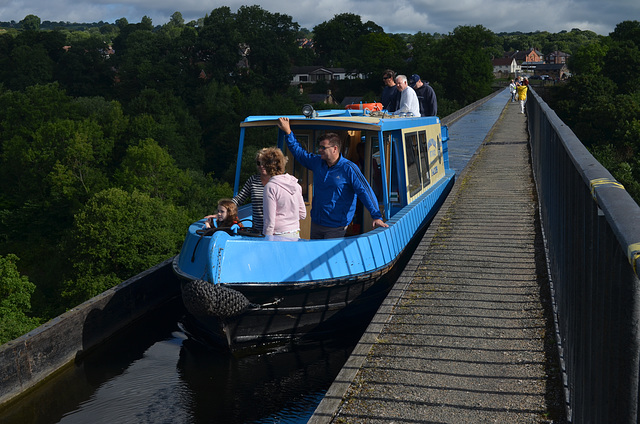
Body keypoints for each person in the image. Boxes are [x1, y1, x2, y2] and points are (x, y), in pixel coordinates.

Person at [277, 117, 389, 239]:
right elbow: (299, 153)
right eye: (319, 147)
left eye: (323, 148)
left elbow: (365, 191)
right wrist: (288, 133)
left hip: (336, 227)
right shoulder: (317, 162)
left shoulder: (349, 168)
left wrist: (376, 216)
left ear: (335, 148)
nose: (319, 150)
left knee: (329, 258)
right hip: (316, 223)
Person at [258, 147, 306, 238]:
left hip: (278, 235)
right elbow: (303, 214)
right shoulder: (296, 185)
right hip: (295, 233)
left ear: (266, 166)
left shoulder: (270, 187)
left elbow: (270, 221)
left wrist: (267, 241)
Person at [232, 151, 268, 233]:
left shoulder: (278, 181)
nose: (261, 166)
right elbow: (239, 199)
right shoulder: (253, 180)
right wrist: (223, 211)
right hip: (257, 231)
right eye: (259, 163)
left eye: (265, 163)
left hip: (275, 232)